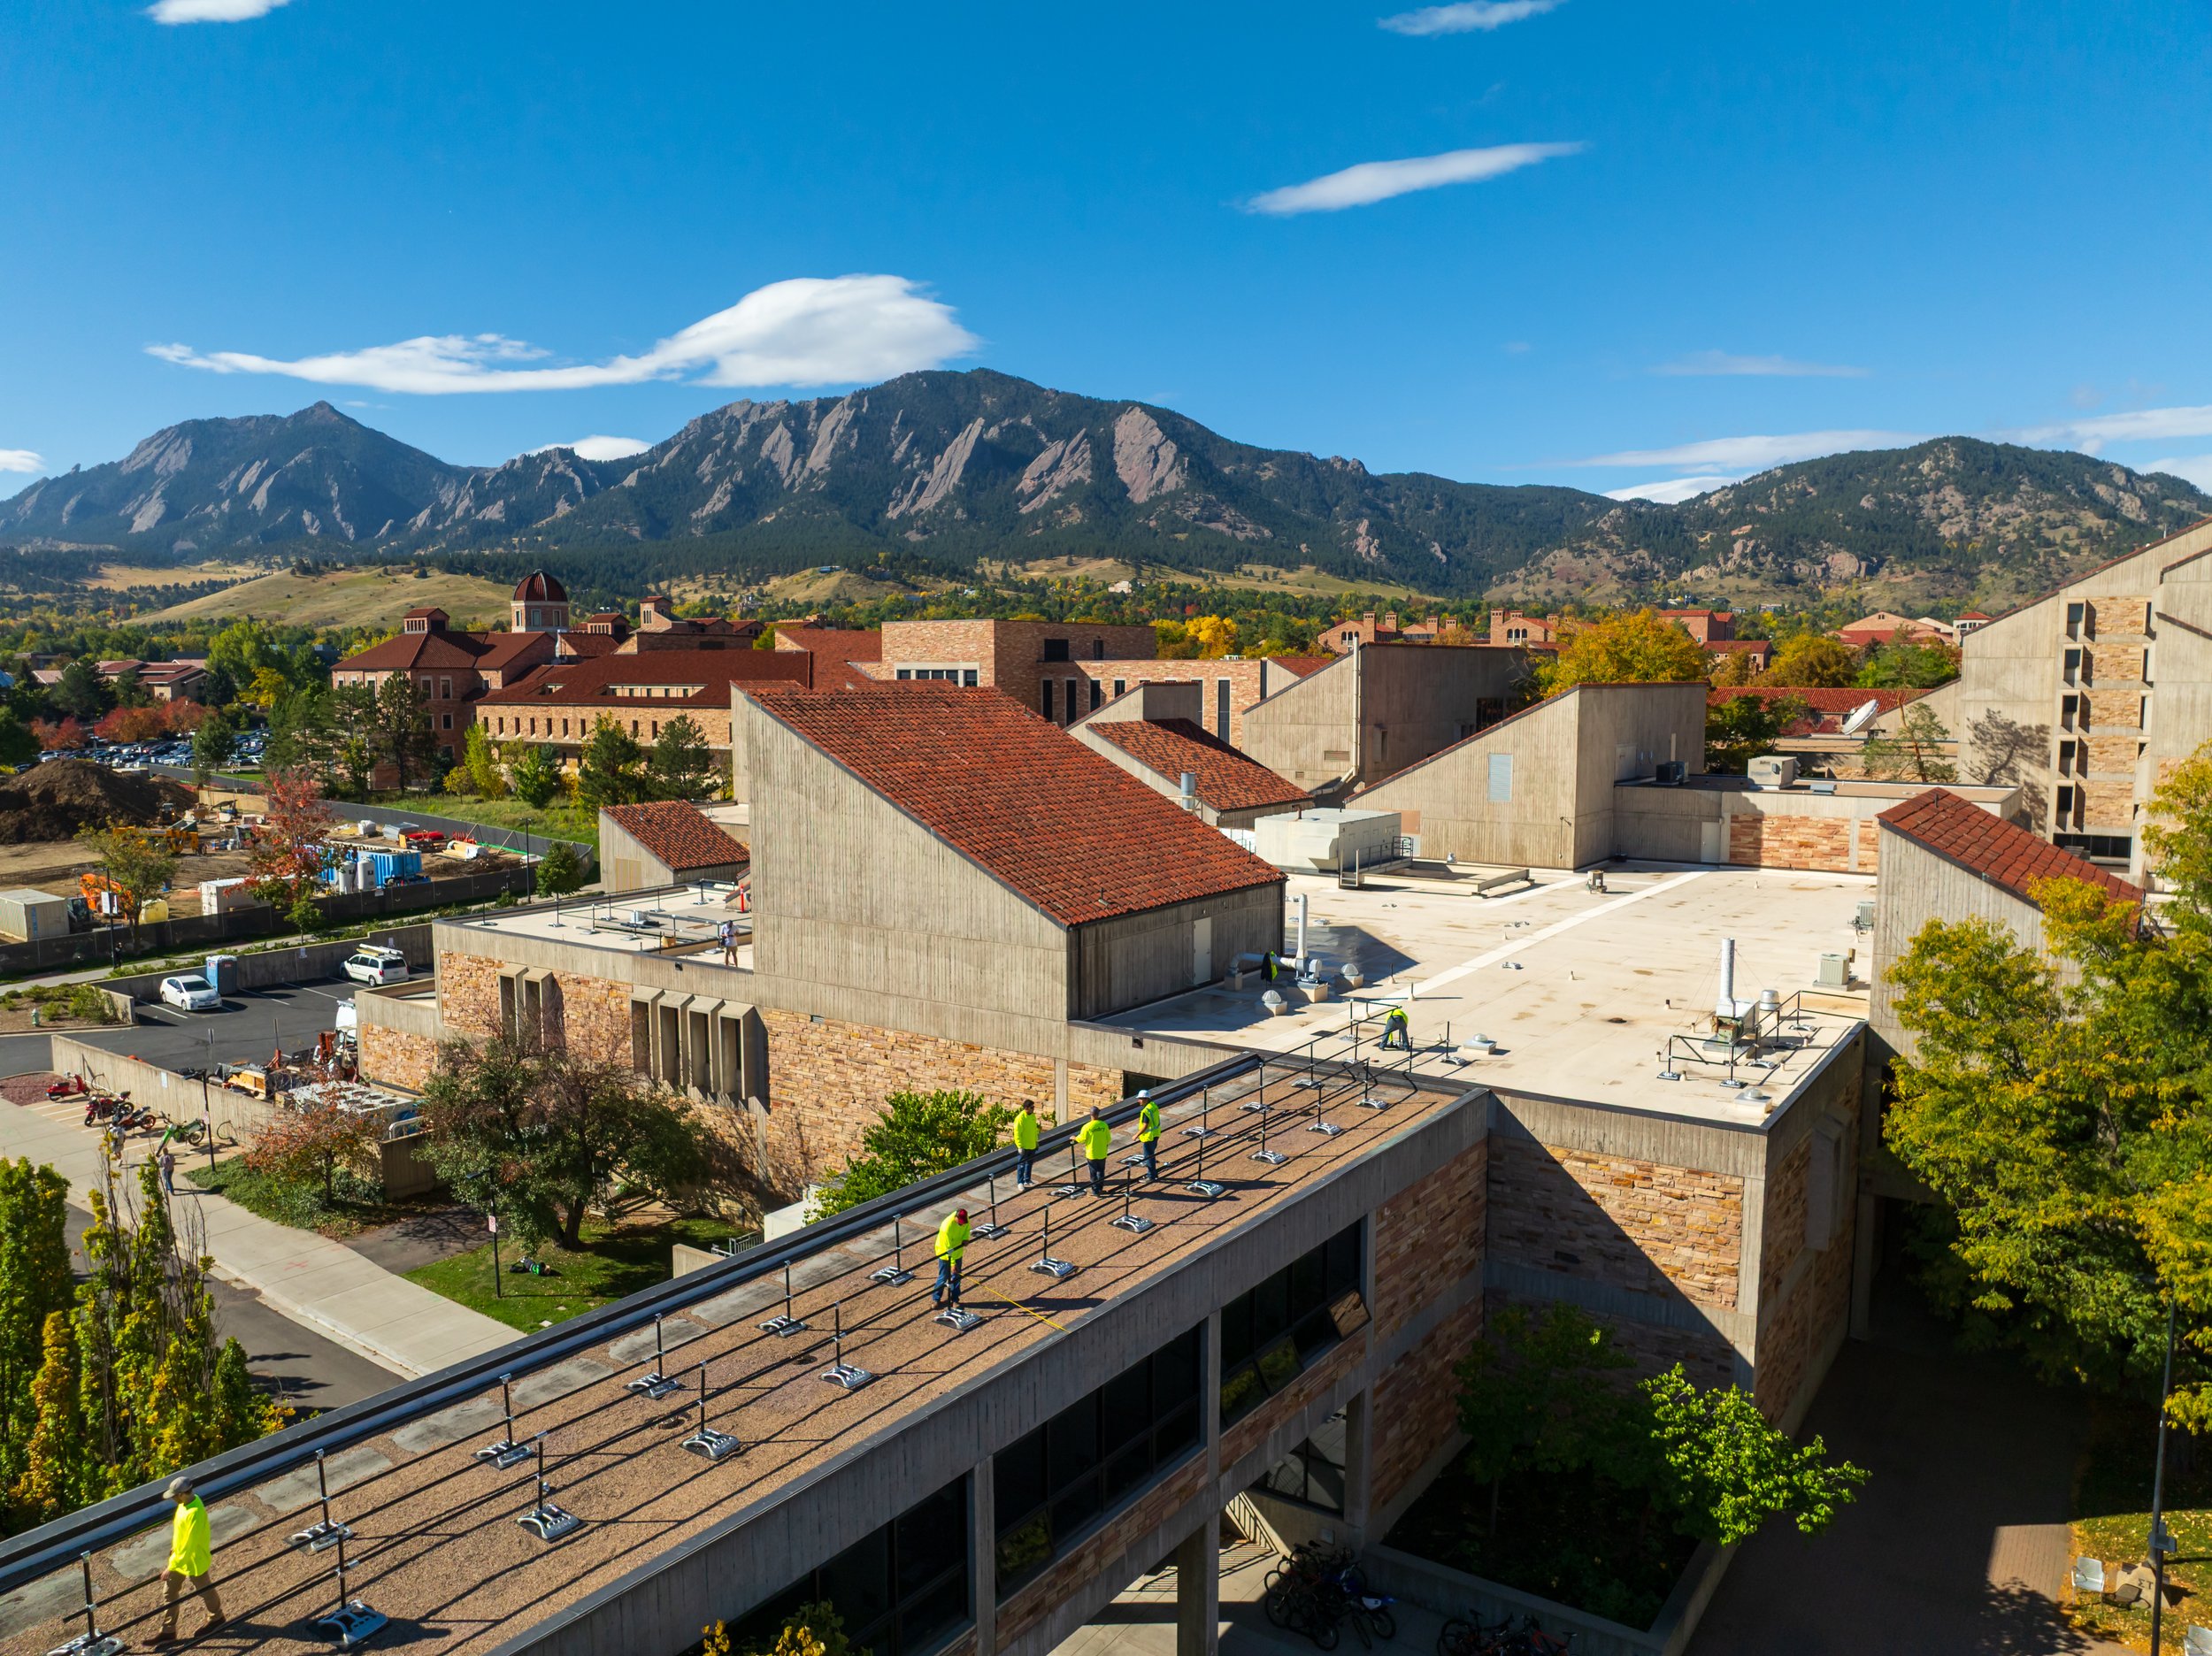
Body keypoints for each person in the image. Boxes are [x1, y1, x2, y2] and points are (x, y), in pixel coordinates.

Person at [156, 1475, 225, 1644]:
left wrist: (171, 1566)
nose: (172, 1499)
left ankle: (217, 1617)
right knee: (169, 1592)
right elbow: (181, 1532)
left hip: (193, 1559)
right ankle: (168, 1630)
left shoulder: (194, 1512)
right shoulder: (187, 1503)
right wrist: (175, 1547)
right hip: (180, 1557)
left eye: (174, 1496)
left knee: (205, 1590)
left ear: (181, 1494)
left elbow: (189, 1545)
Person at [933, 1208, 972, 1310]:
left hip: (957, 1251)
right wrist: (952, 1264)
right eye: (960, 1223)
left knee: (956, 1277)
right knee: (943, 1277)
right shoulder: (946, 1227)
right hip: (945, 1253)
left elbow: (967, 1228)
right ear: (956, 1217)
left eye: (963, 1223)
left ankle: (955, 1299)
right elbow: (948, 1248)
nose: (962, 1225)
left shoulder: (965, 1218)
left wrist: (965, 1238)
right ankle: (936, 1299)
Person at [1077, 1107, 1113, 1196]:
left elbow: (1081, 1139)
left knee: (1093, 1173)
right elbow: (1108, 1140)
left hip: (1091, 1153)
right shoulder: (1104, 1125)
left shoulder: (1087, 1127)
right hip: (1102, 1152)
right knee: (1101, 1171)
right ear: (1098, 1114)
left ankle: (1095, 1191)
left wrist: (1074, 1138)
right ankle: (1100, 1189)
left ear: (1090, 1114)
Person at [1011, 1099, 1041, 1190]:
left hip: (1032, 1145)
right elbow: (1017, 1134)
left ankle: (1027, 1179)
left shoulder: (1032, 1116)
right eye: (1032, 1107)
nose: (1033, 1109)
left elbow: (1034, 1130)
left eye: (1033, 1107)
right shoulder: (1020, 1118)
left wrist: (1036, 1141)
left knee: (1029, 1163)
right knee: (1021, 1164)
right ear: (1026, 1108)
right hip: (1024, 1146)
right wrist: (1020, 1146)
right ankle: (1020, 1182)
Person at [1134, 1089, 1162, 1180]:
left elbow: (1145, 1125)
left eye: (1140, 1099)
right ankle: (1153, 1174)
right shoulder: (1153, 1106)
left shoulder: (1146, 1111)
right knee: (1151, 1155)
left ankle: (1151, 1176)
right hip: (1156, 1134)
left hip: (1149, 1137)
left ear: (1146, 1099)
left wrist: (1136, 1135)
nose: (1138, 1101)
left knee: (1149, 1157)